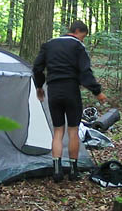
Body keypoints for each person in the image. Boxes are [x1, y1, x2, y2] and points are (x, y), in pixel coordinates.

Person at [33, 21, 107, 182]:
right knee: (73, 131)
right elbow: (85, 72)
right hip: (71, 91)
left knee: (58, 131)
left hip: (53, 91)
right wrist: (97, 91)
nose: (83, 40)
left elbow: (37, 68)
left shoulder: (49, 45)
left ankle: (57, 171)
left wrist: (39, 86)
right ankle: (73, 171)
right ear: (78, 31)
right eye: (83, 36)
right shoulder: (77, 47)